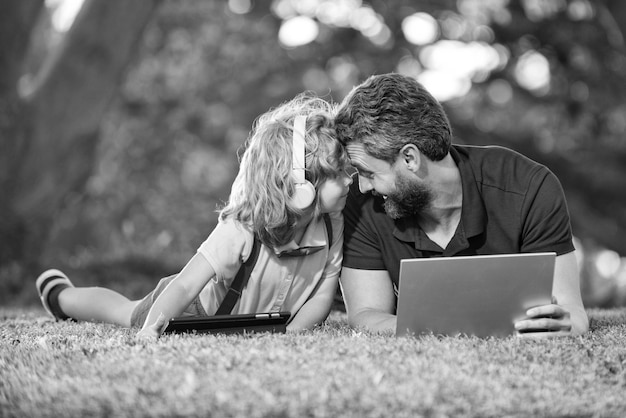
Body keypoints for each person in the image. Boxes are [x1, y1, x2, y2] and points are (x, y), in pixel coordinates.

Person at [36, 94, 353, 340]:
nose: (349, 180)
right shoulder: (242, 229)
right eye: (339, 173)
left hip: (252, 321)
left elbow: (323, 295)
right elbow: (186, 286)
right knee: (127, 312)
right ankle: (61, 297)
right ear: (300, 184)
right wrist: (150, 331)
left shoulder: (331, 223)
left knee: (128, 310)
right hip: (193, 309)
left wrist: (292, 336)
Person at [334, 73, 589, 337]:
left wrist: (565, 326)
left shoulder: (530, 188)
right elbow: (366, 315)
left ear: (410, 157)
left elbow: (572, 313)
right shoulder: (362, 201)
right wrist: (455, 326)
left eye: (368, 172)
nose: (362, 185)